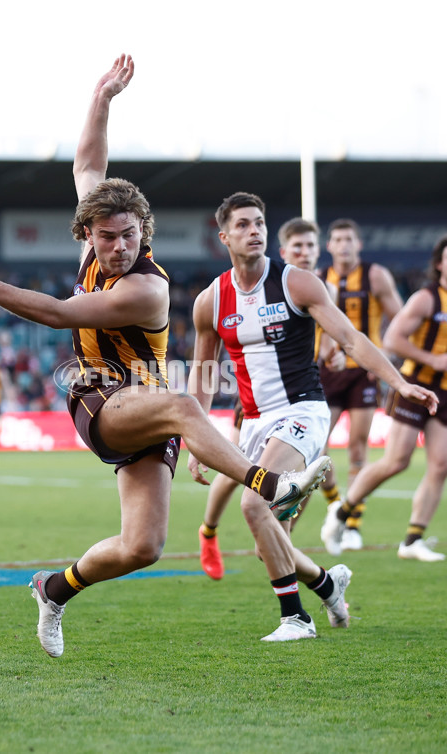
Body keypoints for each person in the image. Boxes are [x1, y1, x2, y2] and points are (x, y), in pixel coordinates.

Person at [0, 55, 332, 657]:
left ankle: (53, 589)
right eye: (105, 237)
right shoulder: (99, 226)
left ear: (144, 231)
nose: (117, 246)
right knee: (179, 403)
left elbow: (63, 313)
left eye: (128, 236)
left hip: (145, 408)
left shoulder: (147, 287)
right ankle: (270, 485)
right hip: (99, 396)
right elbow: (88, 162)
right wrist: (102, 97)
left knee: (141, 546)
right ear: (86, 233)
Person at [187, 193, 438, 641]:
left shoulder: (296, 283)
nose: (255, 231)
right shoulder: (211, 301)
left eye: (260, 222)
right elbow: (203, 374)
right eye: (243, 224)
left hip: (303, 409)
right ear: (224, 236)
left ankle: (295, 619)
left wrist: (397, 382)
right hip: (257, 422)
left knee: (253, 504)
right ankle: (328, 583)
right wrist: (195, 437)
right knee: (272, 545)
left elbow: (350, 338)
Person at [199, 218, 345, 581]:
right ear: (283, 251)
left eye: (311, 246)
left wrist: (334, 354)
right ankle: (209, 531)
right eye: (298, 247)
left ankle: (286, 538)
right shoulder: (263, 282)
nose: (306, 252)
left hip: (300, 395)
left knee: (303, 469)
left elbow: (330, 340)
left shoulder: (318, 287)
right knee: (236, 469)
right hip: (254, 396)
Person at [321, 235, 447, 561]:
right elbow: (392, 338)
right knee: (397, 460)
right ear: (439, 264)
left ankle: (413, 539)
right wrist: (433, 360)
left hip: (445, 392)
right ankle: (344, 513)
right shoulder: (426, 299)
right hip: (416, 385)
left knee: (440, 465)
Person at [318, 219, 403, 551]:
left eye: (349, 239)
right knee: (317, 447)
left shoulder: (375, 276)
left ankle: (351, 524)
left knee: (357, 448)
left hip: (364, 371)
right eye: (337, 239)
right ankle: (336, 504)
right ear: (330, 246)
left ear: (359, 243)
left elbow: (400, 320)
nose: (343, 245)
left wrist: (384, 359)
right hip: (330, 369)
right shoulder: (321, 279)